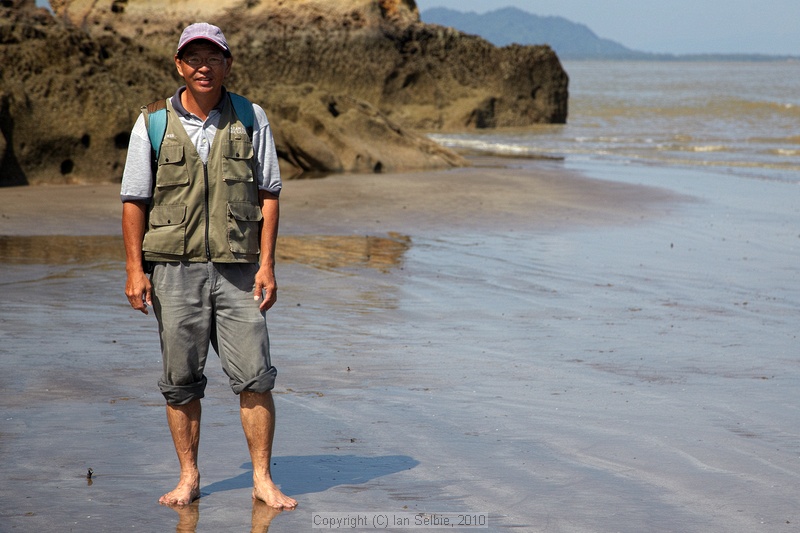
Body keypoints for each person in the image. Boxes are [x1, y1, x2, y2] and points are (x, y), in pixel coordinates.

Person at [120, 22, 297, 510]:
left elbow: (269, 193)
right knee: (180, 381)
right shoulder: (153, 122)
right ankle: (189, 476)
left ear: (227, 64)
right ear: (179, 65)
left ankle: (262, 479)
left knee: (256, 377)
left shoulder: (251, 116)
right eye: (194, 58)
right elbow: (134, 199)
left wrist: (268, 265)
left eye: (213, 57)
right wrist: (135, 270)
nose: (204, 67)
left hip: (239, 269)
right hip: (173, 271)